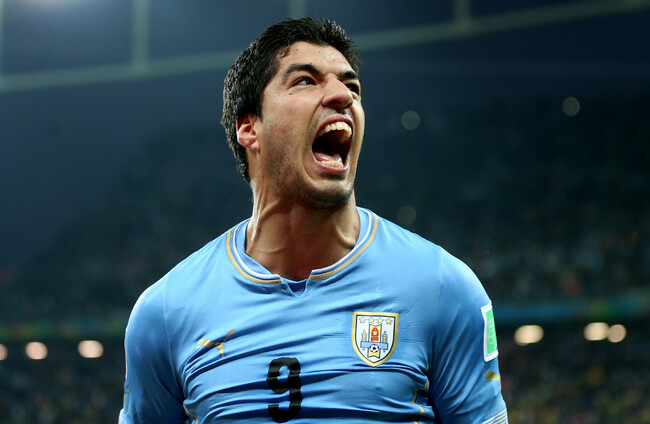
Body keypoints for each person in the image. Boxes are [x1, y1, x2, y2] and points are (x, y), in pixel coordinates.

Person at [120, 17, 508, 424]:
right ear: (249, 127)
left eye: (352, 86)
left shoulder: (443, 287)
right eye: (305, 81)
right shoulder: (165, 313)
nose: (342, 95)